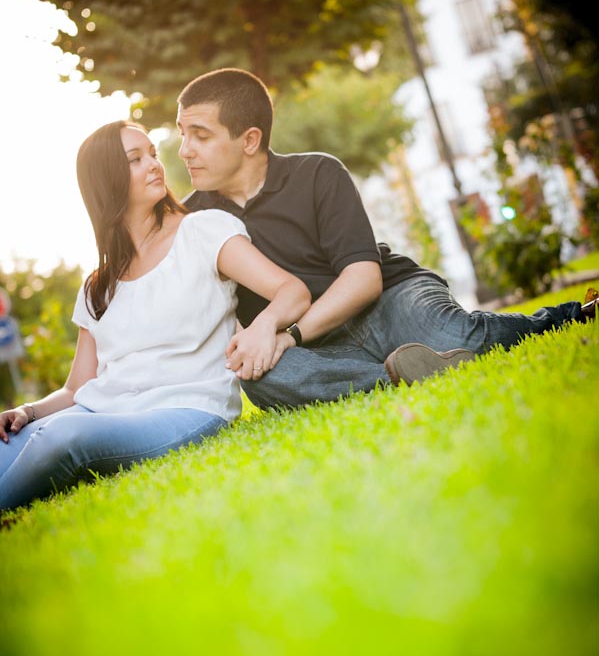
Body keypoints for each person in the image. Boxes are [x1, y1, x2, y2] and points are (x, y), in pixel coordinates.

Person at [176, 67, 598, 410]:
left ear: (249, 140)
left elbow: (364, 280)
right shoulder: (192, 219)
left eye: (201, 135)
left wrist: (289, 335)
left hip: (388, 301)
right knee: (265, 380)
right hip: (320, 348)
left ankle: (572, 315)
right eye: (182, 134)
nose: (184, 150)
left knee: (453, 336)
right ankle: (399, 371)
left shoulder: (318, 173)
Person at [0, 121, 310, 513]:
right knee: (17, 437)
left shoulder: (203, 230)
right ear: (105, 179)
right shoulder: (98, 283)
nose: (154, 164)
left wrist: (264, 327)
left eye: (152, 154)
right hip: (98, 409)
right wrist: (25, 413)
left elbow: (293, 291)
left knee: (63, 435)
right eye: (135, 159)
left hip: (186, 409)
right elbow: (77, 387)